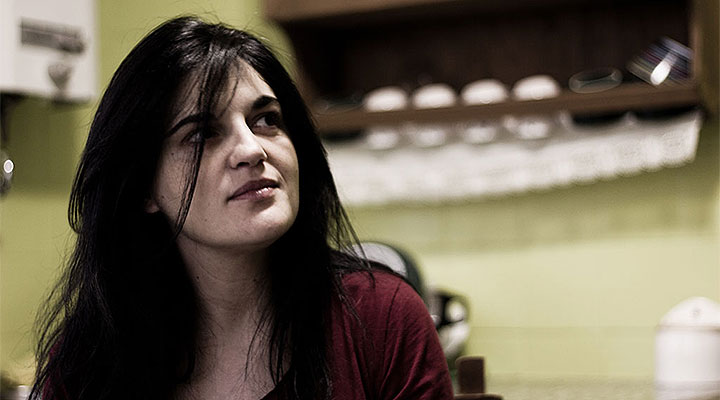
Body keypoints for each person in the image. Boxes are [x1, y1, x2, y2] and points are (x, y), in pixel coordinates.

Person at [30, 16, 453, 400]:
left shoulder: (382, 319)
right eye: (202, 134)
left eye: (266, 120)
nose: (252, 149)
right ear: (144, 188)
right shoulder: (91, 363)